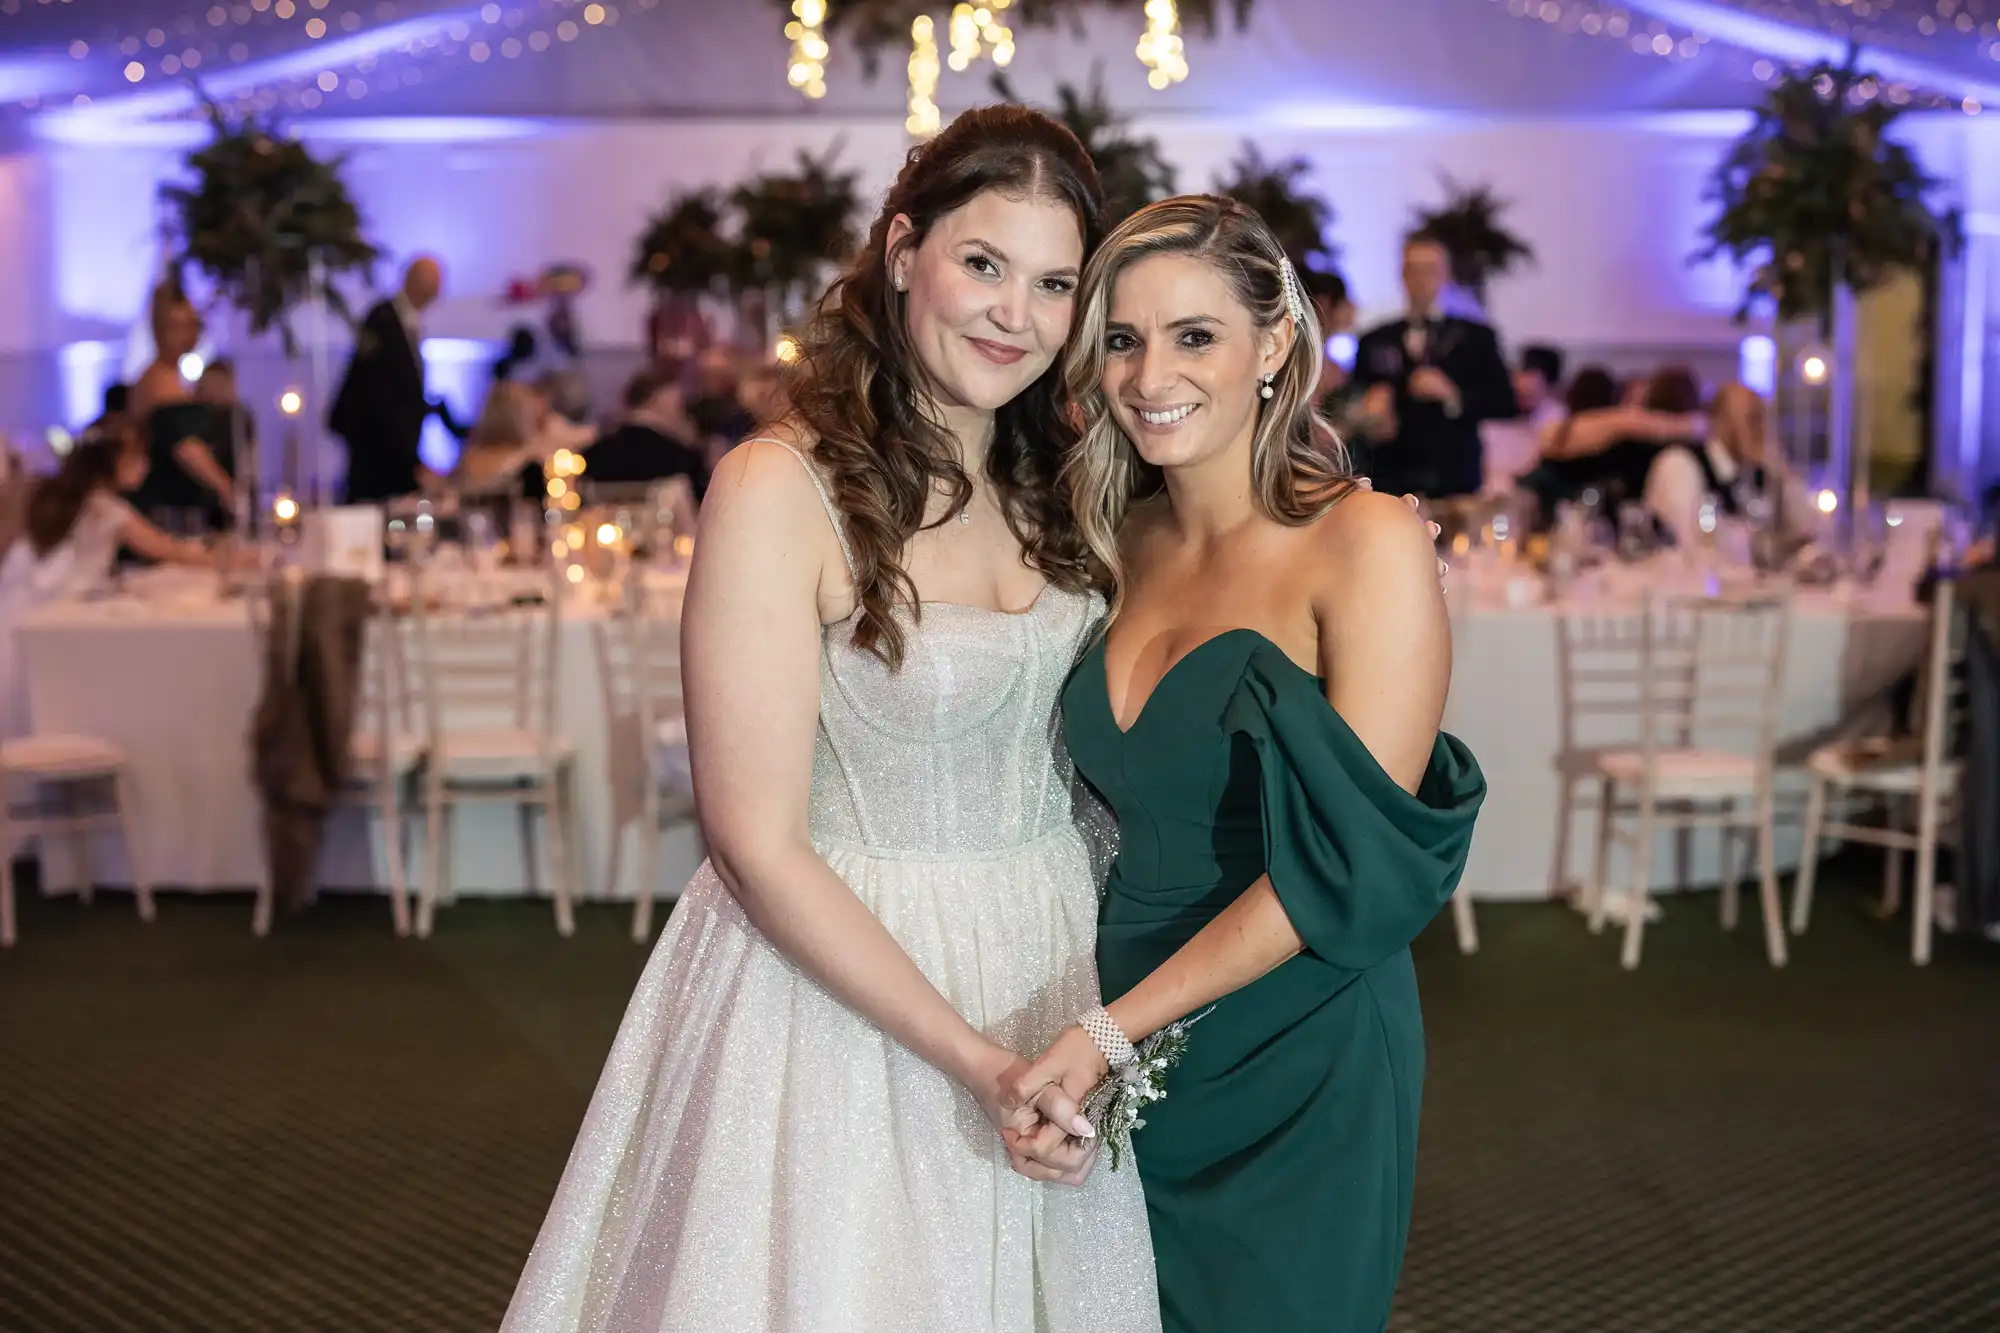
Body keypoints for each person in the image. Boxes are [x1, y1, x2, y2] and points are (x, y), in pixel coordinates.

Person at [498, 105, 1161, 1333]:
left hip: (1046, 950)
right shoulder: (777, 486)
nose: (1014, 314)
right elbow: (754, 838)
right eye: (982, 264)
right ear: (902, 251)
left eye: (1054, 283)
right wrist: (977, 1062)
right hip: (836, 984)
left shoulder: (1067, 480)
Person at [1001, 197, 1486, 1333]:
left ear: (1272, 347)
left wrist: (1112, 1032)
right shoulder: (1108, 539)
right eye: (1120, 339)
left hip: (1293, 1038)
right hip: (1107, 1020)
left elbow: (1353, 862)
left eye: (1193, 336)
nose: (1146, 373)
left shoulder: (1364, 542)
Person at [0, 416, 221, 738]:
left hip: (12, 613)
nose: (146, 467)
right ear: (121, 460)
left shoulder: (45, 495)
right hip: (58, 622)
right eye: (141, 458)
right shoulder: (107, 511)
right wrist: (234, 559)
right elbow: (172, 551)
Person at [1351, 232, 1518, 497]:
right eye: (1413, 270)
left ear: (1445, 275)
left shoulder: (1476, 337)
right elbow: (1354, 399)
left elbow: (1505, 403)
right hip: (1391, 477)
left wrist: (1453, 396)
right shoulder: (1374, 339)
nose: (1421, 280)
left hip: (1455, 478)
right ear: (1402, 275)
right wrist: (1369, 411)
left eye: (1430, 270)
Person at [329, 255, 451, 504]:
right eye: (434, 284)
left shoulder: (400, 324)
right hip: (378, 462)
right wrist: (413, 462)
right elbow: (377, 398)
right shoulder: (383, 321)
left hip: (393, 458)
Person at [128, 285, 235, 531]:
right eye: (175, 327)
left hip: (184, 507)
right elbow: (186, 447)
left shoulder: (177, 379)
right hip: (166, 513)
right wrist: (225, 488)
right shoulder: (157, 381)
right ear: (157, 329)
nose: (186, 335)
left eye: (191, 325)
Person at [579, 363, 711, 497]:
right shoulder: (684, 460)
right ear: (658, 399)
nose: (684, 413)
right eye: (680, 405)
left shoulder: (590, 456)